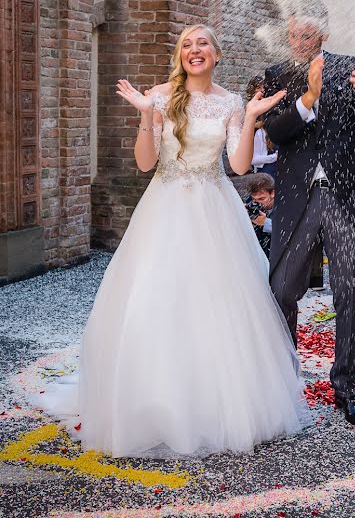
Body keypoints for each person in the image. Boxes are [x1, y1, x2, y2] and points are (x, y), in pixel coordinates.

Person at [33, 25, 310, 457]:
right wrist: (146, 114)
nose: (193, 50)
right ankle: (154, 401)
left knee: (215, 305)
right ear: (180, 55)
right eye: (186, 45)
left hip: (214, 208)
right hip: (164, 207)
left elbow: (238, 166)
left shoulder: (231, 102)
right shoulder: (160, 95)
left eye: (201, 44)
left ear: (216, 54)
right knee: (157, 299)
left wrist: (252, 118)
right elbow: (145, 164)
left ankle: (212, 399)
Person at [262, 8, 355, 428]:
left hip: (343, 197)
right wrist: (308, 99)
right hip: (298, 198)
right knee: (282, 290)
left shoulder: (350, 68)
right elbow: (275, 133)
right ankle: (285, 375)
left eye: (307, 33)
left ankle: (345, 386)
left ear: (323, 33)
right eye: (294, 33)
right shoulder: (279, 74)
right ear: (288, 35)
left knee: (350, 291)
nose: (300, 39)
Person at [248, 75, 278, 179]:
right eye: (258, 88)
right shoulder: (250, 108)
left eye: (263, 87)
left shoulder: (270, 105)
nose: (262, 91)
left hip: (270, 143)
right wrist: (260, 124)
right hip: (258, 148)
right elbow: (246, 126)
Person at [247, 172, 276, 255]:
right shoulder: (251, 204)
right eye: (255, 199)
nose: (258, 203)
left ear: (272, 193)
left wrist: (265, 222)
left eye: (262, 198)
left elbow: (287, 230)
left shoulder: (284, 204)